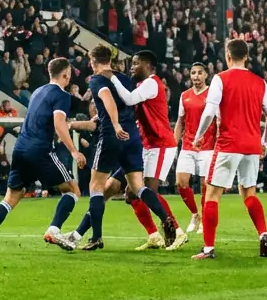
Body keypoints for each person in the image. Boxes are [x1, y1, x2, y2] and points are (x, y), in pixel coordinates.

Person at [0, 57, 86, 253]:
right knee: (72, 190)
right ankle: (53, 230)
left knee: (11, 198)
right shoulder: (62, 95)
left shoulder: (38, 92)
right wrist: (74, 151)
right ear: (66, 75)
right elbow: (59, 124)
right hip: (40, 150)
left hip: (21, 149)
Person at [75, 46, 176, 251]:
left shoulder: (97, 79)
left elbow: (108, 99)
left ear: (93, 61)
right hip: (133, 138)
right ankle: (164, 219)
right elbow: (129, 103)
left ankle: (96, 237)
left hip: (113, 135)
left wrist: (114, 124)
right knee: (136, 187)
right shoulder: (125, 79)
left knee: (96, 187)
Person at [187, 38, 267, 260]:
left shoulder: (220, 79)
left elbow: (209, 112)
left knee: (212, 194)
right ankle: (263, 233)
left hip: (228, 144)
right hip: (252, 146)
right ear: (246, 56)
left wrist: (198, 136)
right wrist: (264, 142)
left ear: (228, 56)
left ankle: (208, 248)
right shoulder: (260, 82)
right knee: (248, 193)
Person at [105, 50, 188, 250]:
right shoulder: (142, 86)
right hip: (146, 145)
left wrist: (112, 77)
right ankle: (153, 235)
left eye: (136, 63)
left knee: (148, 191)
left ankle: (178, 231)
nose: (132, 67)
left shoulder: (152, 83)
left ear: (148, 65)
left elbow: (129, 99)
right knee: (131, 193)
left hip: (160, 144)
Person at [171, 62, 213, 233]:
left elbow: (218, 120)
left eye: (200, 73)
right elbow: (180, 121)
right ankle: (195, 214)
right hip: (188, 145)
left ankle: (205, 219)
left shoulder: (212, 95)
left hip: (207, 146)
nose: (196, 76)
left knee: (205, 184)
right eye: (193, 73)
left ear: (206, 75)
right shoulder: (185, 96)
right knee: (181, 182)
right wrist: (174, 144)